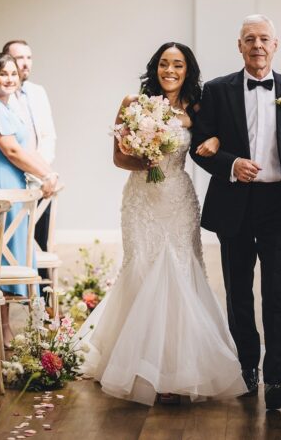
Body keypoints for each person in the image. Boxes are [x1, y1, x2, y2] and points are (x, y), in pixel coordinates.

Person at [75, 42, 246, 406]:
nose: (170, 70)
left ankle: (177, 367)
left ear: (188, 70)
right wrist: (146, 160)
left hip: (178, 199)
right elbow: (119, 157)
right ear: (155, 68)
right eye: (164, 64)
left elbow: (219, 137)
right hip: (141, 199)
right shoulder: (132, 105)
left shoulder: (198, 108)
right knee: (141, 268)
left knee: (181, 271)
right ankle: (135, 364)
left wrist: (215, 139)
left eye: (178, 65)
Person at [191, 15, 281, 410]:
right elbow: (200, 144)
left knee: (277, 292)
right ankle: (248, 367)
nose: (257, 45)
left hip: (279, 204)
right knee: (239, 292)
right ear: (240, 46)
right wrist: (231, 164)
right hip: (234, 203)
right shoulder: (216, 90)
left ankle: (276, 376)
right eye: (250, 39)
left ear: (276, 45)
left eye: (264, 39)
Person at [0, 53, 57, 345]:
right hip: (2, 186)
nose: (9, 79)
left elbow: (28, 148)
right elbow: (12, 152)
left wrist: (50, 173)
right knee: (1, 259)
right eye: (2, 74)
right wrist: (45, 177)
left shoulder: (9, 107)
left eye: (12, 73)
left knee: (9, 256)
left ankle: (2, 326)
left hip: (16, 187)